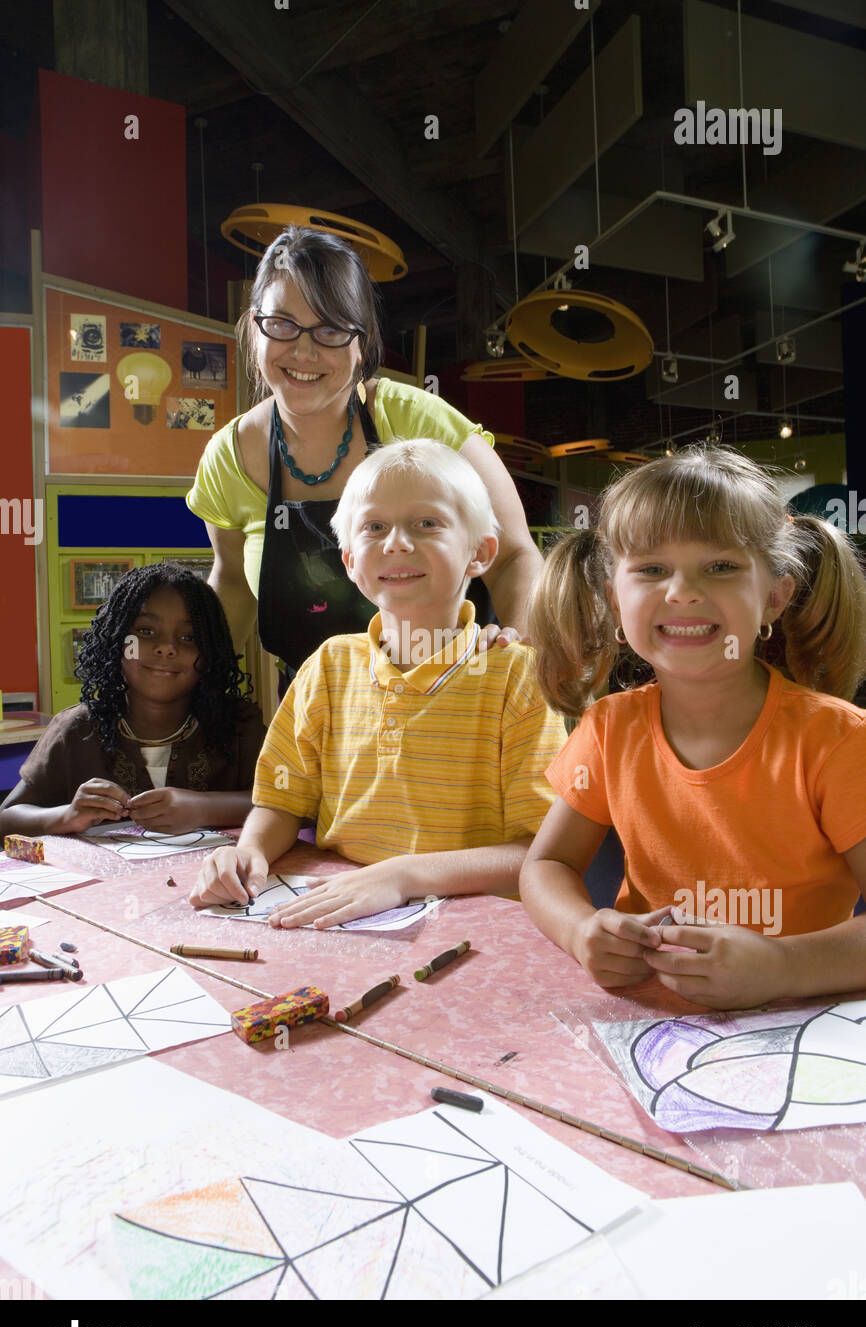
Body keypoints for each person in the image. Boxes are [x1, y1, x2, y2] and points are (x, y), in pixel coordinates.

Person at [519, 445, 866, 1011]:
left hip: (803, 1031)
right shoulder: (610, 727)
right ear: (614, 597)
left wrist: (781, 967)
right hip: (642, 1022)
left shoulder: (840, 742)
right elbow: (547, 866)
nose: (682, 592)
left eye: (721, 566)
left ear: (774, 598)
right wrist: (580, 930)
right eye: (652, 569)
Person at [189, 440, 566, 924]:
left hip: (471, 929)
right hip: (337, 911)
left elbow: (537, 853)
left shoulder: (515, 676)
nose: (396, 543)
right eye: (374, 527)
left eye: (427, 523)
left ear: (480, 553)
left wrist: (401, 875)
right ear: (349, 560)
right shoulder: (327, 667)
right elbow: (282, 802)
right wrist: (249, 852)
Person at [186, 225, 541, 677]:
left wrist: (518, 652)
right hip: (320, 719)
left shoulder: (416, 421)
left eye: (330, 330)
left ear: (362, 342)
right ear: (254, 327)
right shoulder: (230, 457)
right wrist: (196, 692)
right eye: (281, 324)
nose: (303, 350)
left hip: (459, 691)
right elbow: (233, 583)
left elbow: (514, 556)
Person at [0, 564, 265, 837]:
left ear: (210, 651)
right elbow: (7, 818)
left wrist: (206, 808)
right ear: (118, 641)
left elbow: (291, 806)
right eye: (146, 631)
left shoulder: (240, 726)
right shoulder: (76, 729)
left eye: (188, 637)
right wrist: (67, 815)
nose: (167, 647)